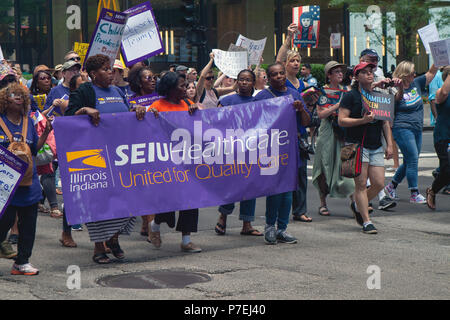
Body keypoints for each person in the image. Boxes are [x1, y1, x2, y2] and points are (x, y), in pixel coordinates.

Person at [65, 54, 146, 264]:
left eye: (111, 68)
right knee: (99, 202)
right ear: (93, 74)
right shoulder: (85, 91)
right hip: (95, 157)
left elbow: (125, 116)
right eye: (105, 69)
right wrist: (84, 110)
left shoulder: (118, 91)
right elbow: (68, 119)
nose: (111, 72)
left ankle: (114, 238)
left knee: (124, 198)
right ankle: (99, 246)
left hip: (121, 157)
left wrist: (135, 110)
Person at [0, 82, 53, 275]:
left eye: (21, 95)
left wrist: (46, 133)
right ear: (5, 99)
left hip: (28, 183)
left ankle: (22, 262)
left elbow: (35, 150)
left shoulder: (28, 121)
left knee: (29, 223)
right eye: (13, 94)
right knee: (4, 222)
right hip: (5, 184)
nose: (18, 97)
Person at [254, 62, 310, 244]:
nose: (279, 76)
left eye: (281, 73)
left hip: (290, 149)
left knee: (287, 191)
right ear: (268, 79)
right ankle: (270, 226)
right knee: (275, 191)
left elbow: (307, 121)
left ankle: (282, 229)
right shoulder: (262, 96)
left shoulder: (293, 94)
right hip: (269, 149)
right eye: (274, 74)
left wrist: (300, 109)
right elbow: (250, 119)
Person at [147, 72, 202, 253]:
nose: (185, 89)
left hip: (187, 160)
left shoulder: (188, 104)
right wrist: (150, 116)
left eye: (186, 86)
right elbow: (147, 132)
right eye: (181, 86)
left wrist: (196, 113)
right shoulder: (157, 106)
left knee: (191, 201)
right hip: (166, 163)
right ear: (170, 88)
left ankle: (186, 240)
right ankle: (154, 226)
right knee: (168, 203)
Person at [338, 62, 395, 234]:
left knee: (378, 183)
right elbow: (342, 120)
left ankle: (357, 204)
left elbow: (385, 123)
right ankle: (366, 221)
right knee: (361, 184)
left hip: (375, 145)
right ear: (356, 76)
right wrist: (362, 121)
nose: (369, 75)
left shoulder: (378, 95)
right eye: (364, 72)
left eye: (371, 72)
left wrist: (390, 145)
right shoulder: (351, 96)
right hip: (356, 145)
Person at [214, 69, 263, 237]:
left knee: (250, 187)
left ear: (253, 83)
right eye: (241, 79)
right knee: (231, 186)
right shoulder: (226, 101)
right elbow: (214, 122)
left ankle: (247, 224)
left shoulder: (259, 102)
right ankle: (223, 217)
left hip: (251, 150)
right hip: (231, 150)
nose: (244, 82)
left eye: (247, 80)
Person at [384, 61, 438, 204]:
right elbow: (397, 98)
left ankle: (391, 186)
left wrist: (440, 56)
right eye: (412, 72)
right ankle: (414, 193)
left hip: (417, 128)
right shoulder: (393, 88)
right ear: (405, 74)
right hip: (402, 128)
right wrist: (400, 87)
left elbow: (432, 72)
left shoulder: (417, 83)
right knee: (413, 158)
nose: (415, 74)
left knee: (409, 160)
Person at [276, 29, 313, 222]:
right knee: (283, 174)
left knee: (300, 173)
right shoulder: (281, 83)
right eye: (292, 61)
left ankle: (300, 210)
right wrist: (289, 36)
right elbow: (279, 57)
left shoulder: (303, 85)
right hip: (284, 134)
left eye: (298, 61)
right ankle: (281, 210)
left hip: (300, 133)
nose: (296, 64)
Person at [312, 61, 354, 216]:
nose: (340, 74)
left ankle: (355, 202)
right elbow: (322, 114)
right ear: (329, 75)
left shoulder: (347, 90)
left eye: (341, 71)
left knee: (347, 165)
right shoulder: (322, 91)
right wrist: (338, 105)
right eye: (335, 71)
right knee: (323, 166)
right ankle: (322, 203)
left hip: (344, 130)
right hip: (328, 131)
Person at [359, 48, 397, 211]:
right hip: (358, 134)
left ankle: (369, 199)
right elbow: (354, 93)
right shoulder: (356, 75)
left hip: (378, 128)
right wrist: (374, 84)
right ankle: (364, 201)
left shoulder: (380, 75)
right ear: (361, 59)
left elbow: (395, 96)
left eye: (375, 60)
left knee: (378, 177)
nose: (373, 63)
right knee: (362, 174)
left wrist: (396, 85)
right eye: (370, 59)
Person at [127, 65, 159, 239]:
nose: (153, 80)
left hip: (157, 149)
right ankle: (148, 223)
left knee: (153, 188)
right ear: (139, 83)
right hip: (138, 149)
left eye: (154, 77)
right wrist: (134, 112)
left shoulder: (160, 99)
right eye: (148, 78)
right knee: (144, 187)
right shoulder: (131, 101)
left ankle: (149, 224)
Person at [426, 66, 450, 209]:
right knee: (447, 170)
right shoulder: (441, 94)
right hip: (443, 136)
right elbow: (445, 91)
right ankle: (432, 190)